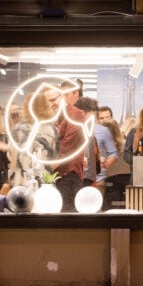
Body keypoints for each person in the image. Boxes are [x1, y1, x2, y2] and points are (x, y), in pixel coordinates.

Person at [45, 81, 87, 212]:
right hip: (56, 175)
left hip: (69, 175)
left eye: (53, 99)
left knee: (67, 217)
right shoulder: (56, 117)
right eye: (47, 101)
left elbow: (67, 145)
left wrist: (45, 167)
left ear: (62, 96)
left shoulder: (75, 114)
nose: (51, 104)